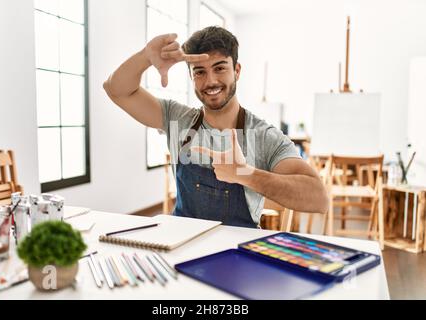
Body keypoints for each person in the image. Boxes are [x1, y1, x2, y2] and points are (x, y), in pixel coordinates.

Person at [103, 26, 328, 228]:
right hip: (181, 246)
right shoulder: (176, 118)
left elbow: (318, 198)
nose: (210, 81)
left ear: (237, 71)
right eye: (199, 72)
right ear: (192, 77)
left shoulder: (263, 136)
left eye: (219, 68)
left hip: (237, 256)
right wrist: (145, 57)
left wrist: (244, 173)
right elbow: (116, 89)